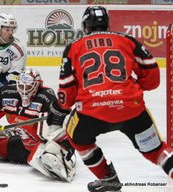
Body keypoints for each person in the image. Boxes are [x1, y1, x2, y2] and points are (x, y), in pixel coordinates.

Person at [46, 6, 173, 192]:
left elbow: (67, 92)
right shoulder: (127, 40)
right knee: (155, 150)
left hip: (92, 113)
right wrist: (129, 90)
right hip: (131, 109)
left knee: (76, 136)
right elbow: (152, 77)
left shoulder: (73, 47)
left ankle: (108, 179)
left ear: (85, 26)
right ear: (107, 24)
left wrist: (60, 108)